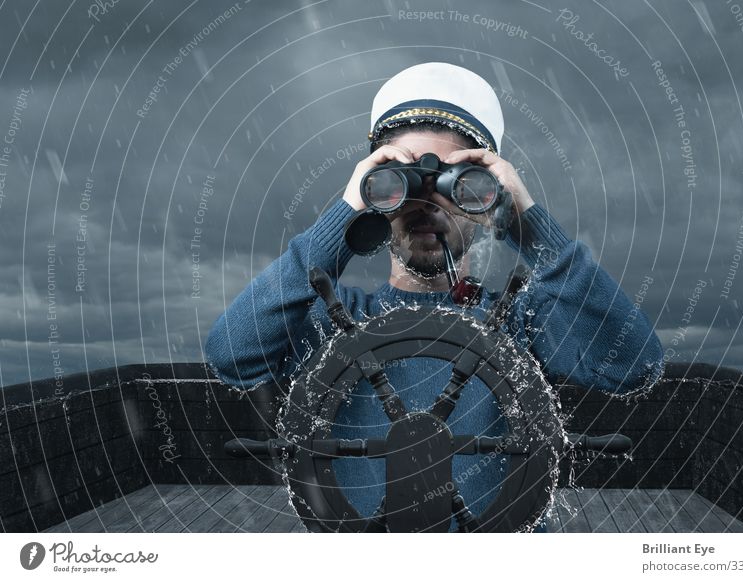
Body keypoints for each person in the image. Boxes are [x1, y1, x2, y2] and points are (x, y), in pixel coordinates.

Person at [204, 62, 664, 530]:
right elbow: (231, 354)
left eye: (455, 184)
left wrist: (528, 225)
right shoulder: (328, 324)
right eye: (398, 183)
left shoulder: (523, 320)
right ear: (377, 200)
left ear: (486, 204)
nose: (427, 205)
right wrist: (342, 219)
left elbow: (635, 366)